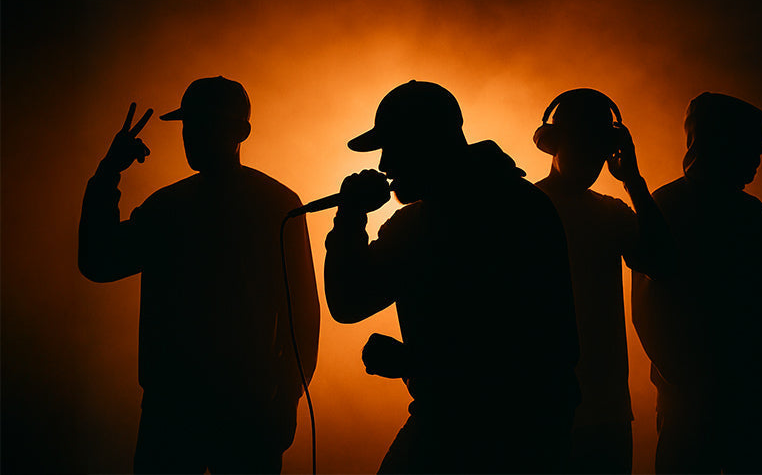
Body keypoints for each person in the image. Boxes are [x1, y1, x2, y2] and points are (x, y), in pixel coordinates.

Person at [324, 80, 580, 474]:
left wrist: (414, 362)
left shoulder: (512, 215)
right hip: (462, 422)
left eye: (393, 147)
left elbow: (535, 348)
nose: (384, 164)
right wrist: (350, 217)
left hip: (512, 434)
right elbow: (349, 302)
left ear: (426, 142)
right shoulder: (521, 206)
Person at [78, 77, 320, 474]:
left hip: (191, 410)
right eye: (189, 125)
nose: (191, 135)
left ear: (239, 132)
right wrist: (287, 396)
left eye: (203, 124)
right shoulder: (274, 203)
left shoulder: (170, 208)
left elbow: (98, 260)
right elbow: (98, 262)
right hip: (226, 407)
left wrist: (108, 175)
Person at [632, 92, 762, 474]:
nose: (759, 156)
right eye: (750, 146)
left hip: (707, 397)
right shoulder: (741, 213)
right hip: (722, 397)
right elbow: (650, 312)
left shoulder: (667, 205)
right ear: (722, 145)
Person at [532, 88, 672, 474]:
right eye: (582, 146)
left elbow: (662, 263)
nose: (591, 158)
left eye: (598, 149)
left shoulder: (610, 214)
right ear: (556, 144)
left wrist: (634, 181)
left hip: (602, 413)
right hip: (541, 411)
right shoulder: (521, 209)